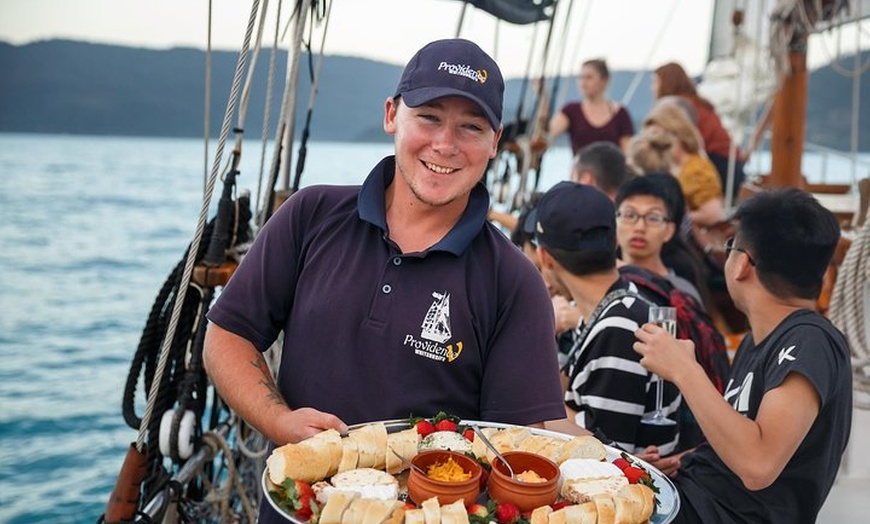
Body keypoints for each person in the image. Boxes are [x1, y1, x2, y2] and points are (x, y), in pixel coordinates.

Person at [202, 39, 568, 522]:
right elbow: (227, 335)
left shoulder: (514, 281)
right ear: (392, 114)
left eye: (471, 127)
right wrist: (281, 422)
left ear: (495, 141)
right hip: (296, 509)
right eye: (430, 117)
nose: (446, 144)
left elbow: (512, 455)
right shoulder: (310, 215)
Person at [633, 188, 852, 523]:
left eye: (730, 247)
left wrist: (684, 370)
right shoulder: (760, 340)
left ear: (743, 265)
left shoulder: (810, 342)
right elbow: (740, 441)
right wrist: (680, 460)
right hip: (692, 494)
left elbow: (758, 466)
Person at [533, 181, 681, 454]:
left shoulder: (620, 326)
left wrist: (538, 407)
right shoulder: (620, 302)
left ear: (545, 257)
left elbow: (607, 452)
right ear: (614, 242)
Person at [653, 62, 746, 201]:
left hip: (718, 165)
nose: (653, 87)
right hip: (732, 167)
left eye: (655, 82)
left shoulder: (677, 106)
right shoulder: (697, 102)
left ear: (666, 82)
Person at [615, 175, 704, 305]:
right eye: (630, 215)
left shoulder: (680, 293)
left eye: (653, 218)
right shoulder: (598, 281)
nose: (640, 227)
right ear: (614, 221)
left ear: (669, 231)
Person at [643, 100, 725, 228]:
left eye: (658, 137)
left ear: (678, 134)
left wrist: (668, 218)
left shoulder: (698, 169)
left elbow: (713, 214)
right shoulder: (675, 168)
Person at [548, 59, 635, 154]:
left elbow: (628, 153)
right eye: (581, 77)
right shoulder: (571, 111)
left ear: (604, 80)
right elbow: (549, 132)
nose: (583, 83)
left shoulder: (620, 113)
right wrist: (543, 99)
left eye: (589, 77)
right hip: (581, 167)